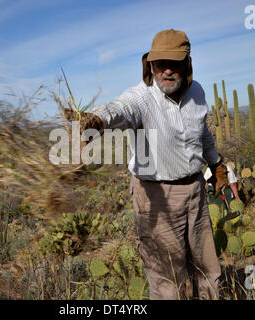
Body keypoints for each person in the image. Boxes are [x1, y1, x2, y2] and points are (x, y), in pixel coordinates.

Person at [64, 29, 228, 299]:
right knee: (168, 285)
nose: (166, 71)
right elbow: (120, 108)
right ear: (148, 64)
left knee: (207, 270)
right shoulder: (142, 97)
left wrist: (217, 165)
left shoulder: (196, 91)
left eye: (173, 63)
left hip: (195, 192)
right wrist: (94, 120)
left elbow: (204, 133)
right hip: (156, 197)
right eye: (159, 63)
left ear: (186, 63)